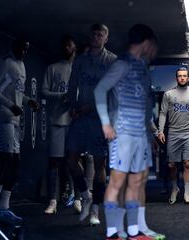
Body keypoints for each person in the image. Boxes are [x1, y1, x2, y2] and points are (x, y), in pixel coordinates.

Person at [94, 23, 158, 240]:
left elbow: (145, 103)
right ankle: (112, 233)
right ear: (147, 43)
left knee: (136, 182)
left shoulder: (141, 66)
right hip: (122, 132)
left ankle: (133, 231)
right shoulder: (122, 64)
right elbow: (100, 89)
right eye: (153, 45)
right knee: (117, 181)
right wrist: (105, 123)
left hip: (140, 134)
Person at [66, 24, 117, 225]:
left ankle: (95, 210)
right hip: (80, 117)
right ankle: (85, 196)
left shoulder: (112, 61)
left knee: (99, 164)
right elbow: (72, 85)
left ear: (106, 38)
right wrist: (72, 105)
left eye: (100, 34)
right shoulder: (81, 60)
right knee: (70, 159)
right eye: (94, 34)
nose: (96, 37)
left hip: (101, 119)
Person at [0, 37, 39, 209]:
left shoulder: (22, 65)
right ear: (13, 46)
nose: (23, 52)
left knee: (14, 162)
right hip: (3, 117)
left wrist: (28, 101)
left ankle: (4, 206)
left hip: (15, 120)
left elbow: (18, 93)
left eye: (26, 49)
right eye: (21, 48)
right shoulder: (5, 62)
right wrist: (11, 105)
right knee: (6, 159)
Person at [42, 35, 80, 215]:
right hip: (57, 121)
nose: (67, 47)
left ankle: (79, 199)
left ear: (74, 49)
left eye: (69, 45)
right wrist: (60, 96)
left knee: (74, 161)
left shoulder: (79, 70)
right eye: (64, 45)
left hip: (74, 123)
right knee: (54, 162)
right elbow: (43, 91)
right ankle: (52, 201)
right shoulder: (52, 68)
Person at [158, 67, 189, 205]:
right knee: (172, 164)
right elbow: (162, 113)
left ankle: (186, 194)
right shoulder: (168, 94)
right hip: (173, 132)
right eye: (180, 76)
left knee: (187, 163)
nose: (182, 78)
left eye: (185, 76)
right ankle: (174, 188)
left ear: (188, 78)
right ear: (176, 78)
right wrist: (160, 130)